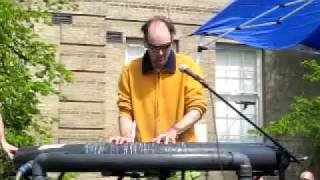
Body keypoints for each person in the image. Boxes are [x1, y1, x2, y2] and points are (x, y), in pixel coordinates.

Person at [111, 16, 207, 144]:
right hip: (145, 151)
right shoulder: (130, 70)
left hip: (182, 152)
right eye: (155, 48)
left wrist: (173, 131)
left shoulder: (187, 66)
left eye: (166, 46)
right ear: (145, 43)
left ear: (172, 40)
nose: (161, 53)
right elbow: (125, 110)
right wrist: (126, 136)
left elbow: (197, 108)